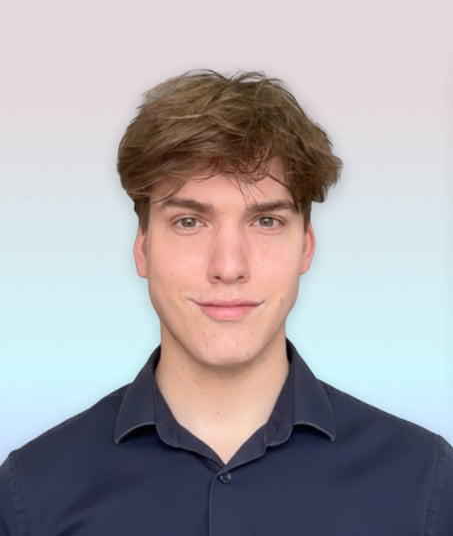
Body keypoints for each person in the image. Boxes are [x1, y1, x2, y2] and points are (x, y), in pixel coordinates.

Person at [0, 70, 452, 535]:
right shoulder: (31, 494)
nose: (229, 266)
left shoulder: (423, 485)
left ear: (306, 247)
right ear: (143, 248)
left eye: (266, 222)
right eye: (190, 222)